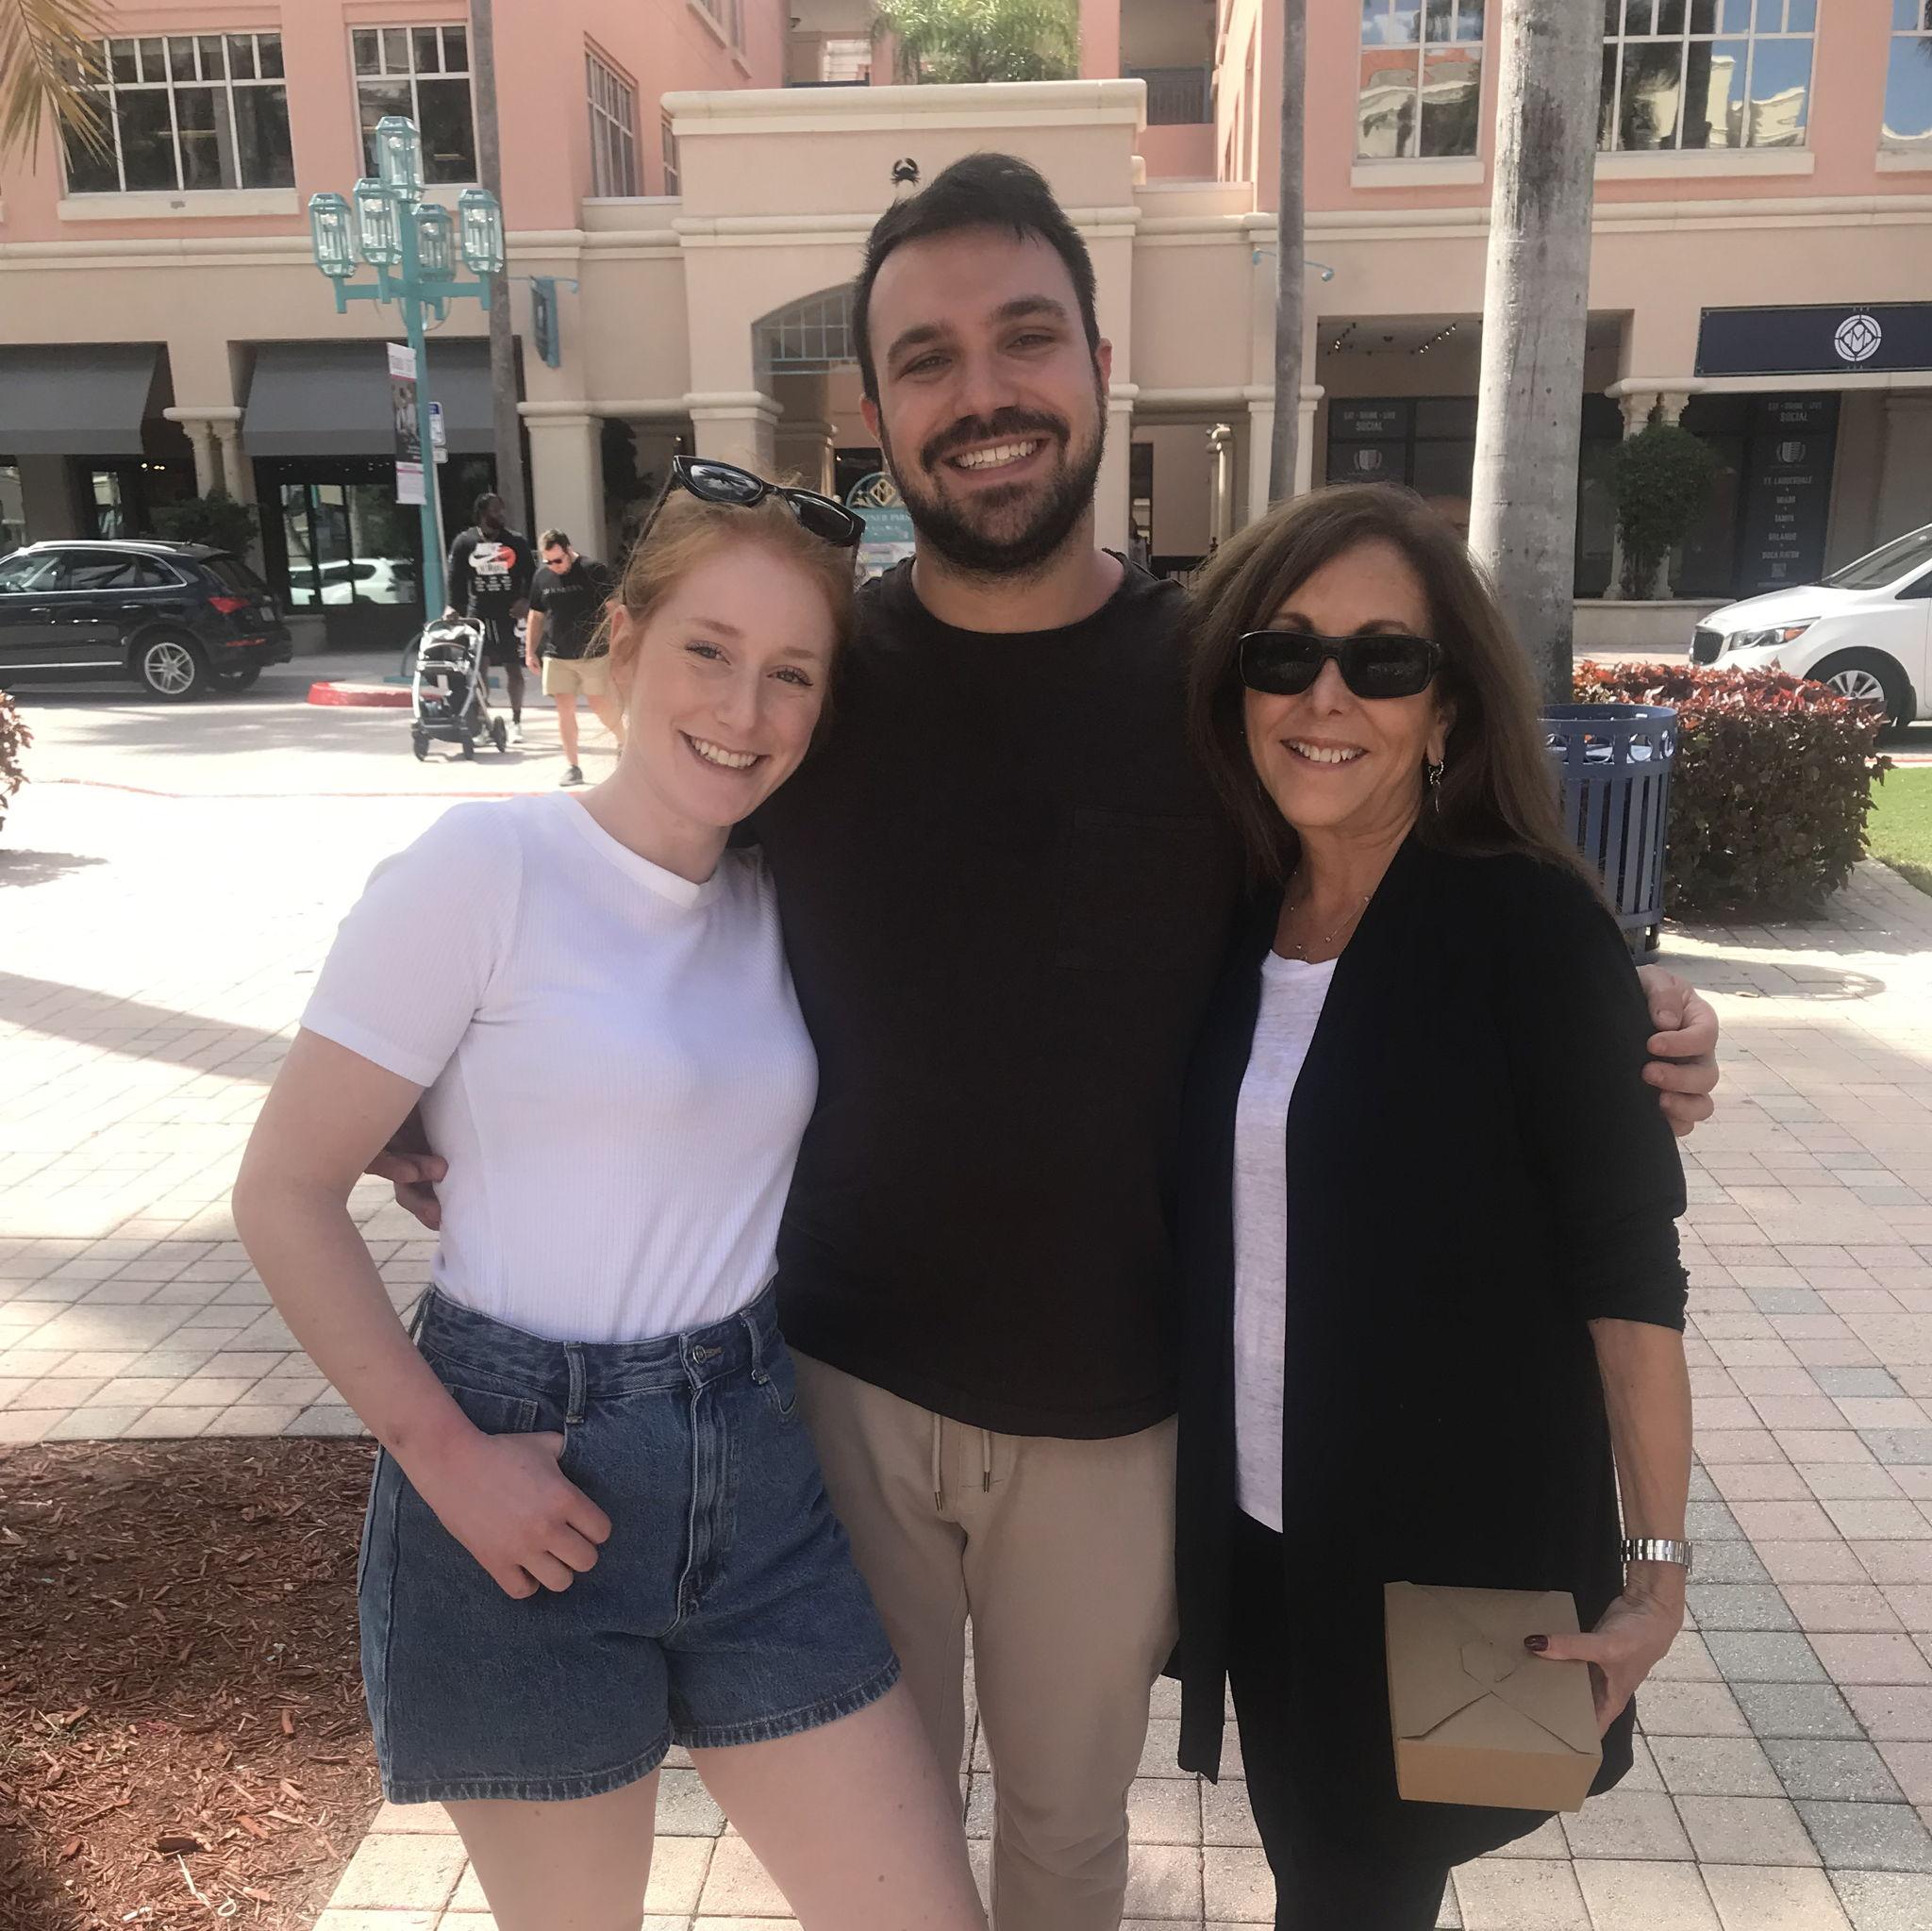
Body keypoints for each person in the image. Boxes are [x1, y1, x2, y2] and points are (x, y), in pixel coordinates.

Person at [374, 154, 1722, 1931]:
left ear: (1098, 362)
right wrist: (432, 1073)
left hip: (1118, 1413)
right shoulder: (816, 682)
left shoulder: (1219, 687)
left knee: (1072, 1844)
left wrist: (1618, 1029)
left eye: (1024, 337)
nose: (982, 391)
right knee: (888, 1862)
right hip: (836, 1386)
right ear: (876, 411)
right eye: (925, 358)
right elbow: (638, 896)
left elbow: (1386, 906)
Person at [233, 467, 987, 1931]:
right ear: (625, 642)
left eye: (792, 673)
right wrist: (448, 1459)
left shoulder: (777, 900)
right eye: (709, 648)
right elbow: (283, 1188)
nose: (744, 708)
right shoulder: (488, 865)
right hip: (521, 1465)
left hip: (755, 1467)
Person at [1173, 485, 1694, 1928]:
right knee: (1324, 1874)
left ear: (1448, 704)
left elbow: (1629, 1277)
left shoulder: (1526, 924)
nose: (1325, 695)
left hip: (1463, 1571)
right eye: (1284, 652)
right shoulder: (1238, 921)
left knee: (1359, 1888)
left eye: (1384, 659)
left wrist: (1655, 1575)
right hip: (1265, 1547)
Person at [525, 528, 622, 786]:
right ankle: (573, 766)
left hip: (593, 654)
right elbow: (536, 615)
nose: (554, 566)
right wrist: (529, 651)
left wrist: (618, 647)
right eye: (548, 561)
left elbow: (613, 610)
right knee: (564, 711)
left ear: (569, 550)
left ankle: (625, 743)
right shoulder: (542, 577)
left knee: (600, 706)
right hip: (557, 655)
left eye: (558, 560)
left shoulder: (593, 570)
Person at [445, 491, 535, 742]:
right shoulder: (465, 542)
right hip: (478, 614)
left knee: (513, 669)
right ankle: (484, 723)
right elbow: (455, 580)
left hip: (509, 614)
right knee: (478, 669)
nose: (501, 515)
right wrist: (452, 607)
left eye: (502, 509)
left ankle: (516, 722)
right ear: (482, 514)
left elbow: (532, 575)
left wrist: (526, 599)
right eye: (495, 510)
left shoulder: (515, 541)